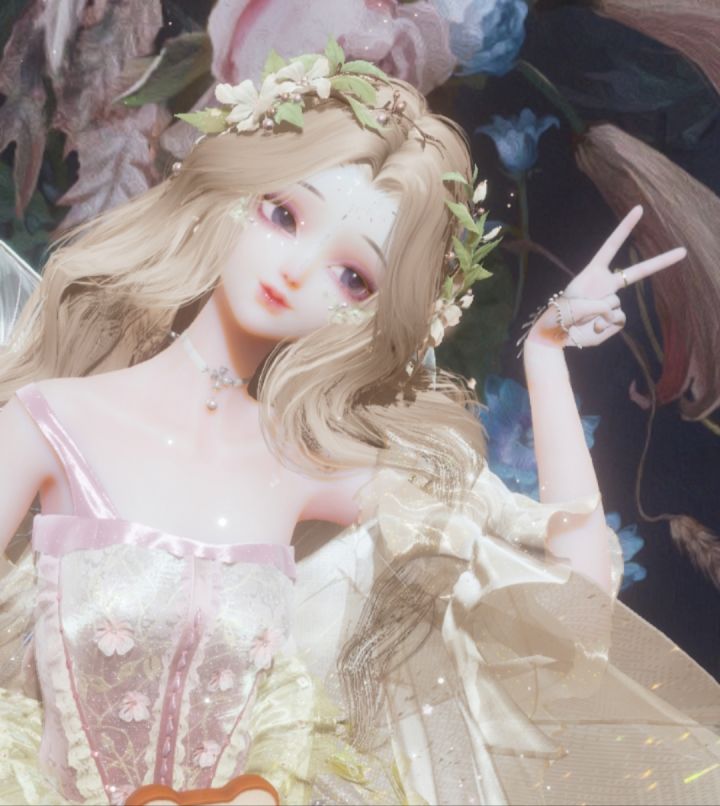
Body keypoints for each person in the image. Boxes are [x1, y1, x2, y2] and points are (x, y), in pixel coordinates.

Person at [0, 44, 718, 806]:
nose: (295, 270)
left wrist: (548, 354)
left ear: (377, 312)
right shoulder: (54, 421)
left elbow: (577, 603)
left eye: (352, 276)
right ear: (234, 191)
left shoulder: (304, 466)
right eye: (284, 215)